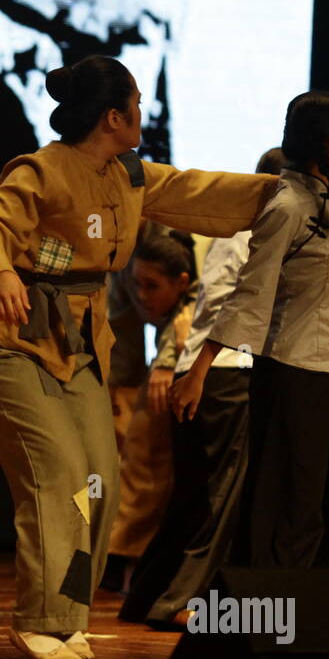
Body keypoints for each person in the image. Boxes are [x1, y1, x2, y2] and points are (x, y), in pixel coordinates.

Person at [0, 55, 277, 659]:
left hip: (78, 344)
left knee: (98, 480)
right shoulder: (42, 169)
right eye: (135, 102)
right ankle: (38, 620)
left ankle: (68, 612)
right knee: (54, 473)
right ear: (114, 115)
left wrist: (285, 192)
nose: (143, 112)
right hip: (7, 339)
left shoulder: (127, 174)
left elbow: (195, 191)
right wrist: (0, 270)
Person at [172, 92, 329, 574]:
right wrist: (199, 369)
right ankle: (274, 629)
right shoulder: (287, 206)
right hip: (293, 376)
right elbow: (250, 293)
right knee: (294, 511)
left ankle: (323, 617)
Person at [102, 222, 196, 592]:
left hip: (200, 361)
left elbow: (188, 315)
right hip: (132, 364)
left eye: (150, 286)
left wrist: (167, 361)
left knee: (149, 449)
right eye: (138, 284)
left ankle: (133, 559)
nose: (142, 294)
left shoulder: (183, 265)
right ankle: (120, 556)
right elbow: (120, 331)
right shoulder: (123, 261)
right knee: (130, 446)